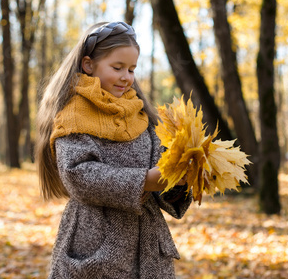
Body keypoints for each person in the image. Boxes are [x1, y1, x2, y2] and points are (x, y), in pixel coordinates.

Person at [35, 21, 192, 279]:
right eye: (117, 67)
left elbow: (161, 171)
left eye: (131, 69)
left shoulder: (141, 115)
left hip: (149, 252)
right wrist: (142, 181)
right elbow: (78, 174)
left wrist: (182, 179)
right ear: (89, 65)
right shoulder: (74, 114)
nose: (126, 77)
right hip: (96, 244)